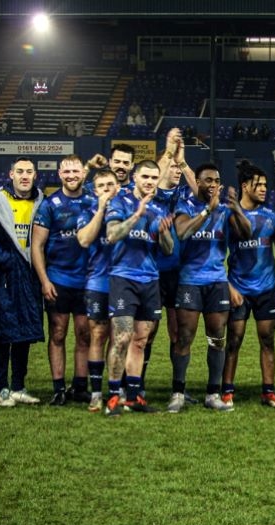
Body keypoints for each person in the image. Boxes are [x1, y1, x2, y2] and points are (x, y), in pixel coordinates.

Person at [171, 163, 252, 413]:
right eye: (207, 180)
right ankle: (178, 392)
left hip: (217, 281)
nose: (213, 185)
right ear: (197, 181)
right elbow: (183, 232)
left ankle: (213, 393)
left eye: (216, 180)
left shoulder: (225, 211)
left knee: (217, 338)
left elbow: (246, 234)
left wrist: (236, 207)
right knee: (185, 337)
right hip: (190, 281)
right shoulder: (185, 206)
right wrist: (208, 211)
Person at [103, 160, 175, 416]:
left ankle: (133, 397)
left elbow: (168, 250)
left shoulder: (158, 209)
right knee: (122, 338)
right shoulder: (119, 202)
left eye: (154, 178)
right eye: (145, 176)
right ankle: (113, 397)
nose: (149, 181)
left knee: (141, 341)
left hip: (150, 280)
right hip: (123, 278)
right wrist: (137, 214)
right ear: (135, 177)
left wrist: (165, 232)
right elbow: (112, 235)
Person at [222, 161, 275, 408]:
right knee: (234, 339)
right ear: (245, 186)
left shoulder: (273, 216)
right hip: (238, 288)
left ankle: (268, 392)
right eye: (259, 184)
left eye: (265, 184)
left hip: (267, 288)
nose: (264, 189)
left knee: (267, 339)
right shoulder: (228, 215)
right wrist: (227, 286)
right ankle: (227, 391)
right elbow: (215, 254)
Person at [0, 156, 46, 407]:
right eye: (20, 171)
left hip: (29, 276)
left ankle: (19, 386)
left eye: (29, 171)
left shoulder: (42, 202)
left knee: (24, 333)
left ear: (35, 176)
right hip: (4, 276)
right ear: (11, 175)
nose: (25, 176)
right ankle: (2, 388)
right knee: (2, 333)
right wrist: (5, 259)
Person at [31, 154, 94, 405]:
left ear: (82, 173)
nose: (71, 176)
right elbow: (37, 246)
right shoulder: (50, 204)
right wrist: (45, 281)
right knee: (58, 333)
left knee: (84, 335)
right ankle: (58, 388)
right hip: (58, 280)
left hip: (87, 281)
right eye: (66, 172)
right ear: (60, 174)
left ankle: (79, 387)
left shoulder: (93, 201)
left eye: (75, 171)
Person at [141, 129, 196, 404]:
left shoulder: (185, 194)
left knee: (178, 332)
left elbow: (204, 192)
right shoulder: (153, 195)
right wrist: (168, 151)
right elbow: (155, 177)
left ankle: (179, 389)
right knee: (147, 332)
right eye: (171, 167)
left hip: (178, 273)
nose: (174, 170)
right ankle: (137, 385)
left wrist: (183, 162)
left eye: (177, 167)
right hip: (151, 271)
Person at [76, 169, 121, 413]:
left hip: (124, 283)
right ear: (95, 190)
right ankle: (95, 393)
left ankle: (118, 390)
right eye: (101, 185)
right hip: (98, 283)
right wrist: (102, 209)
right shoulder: (88, 212)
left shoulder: (126, 208)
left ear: (118, 186)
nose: (107, 189)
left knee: (120, 338)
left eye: (110, 184)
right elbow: (84, 240)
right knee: (98, 335)